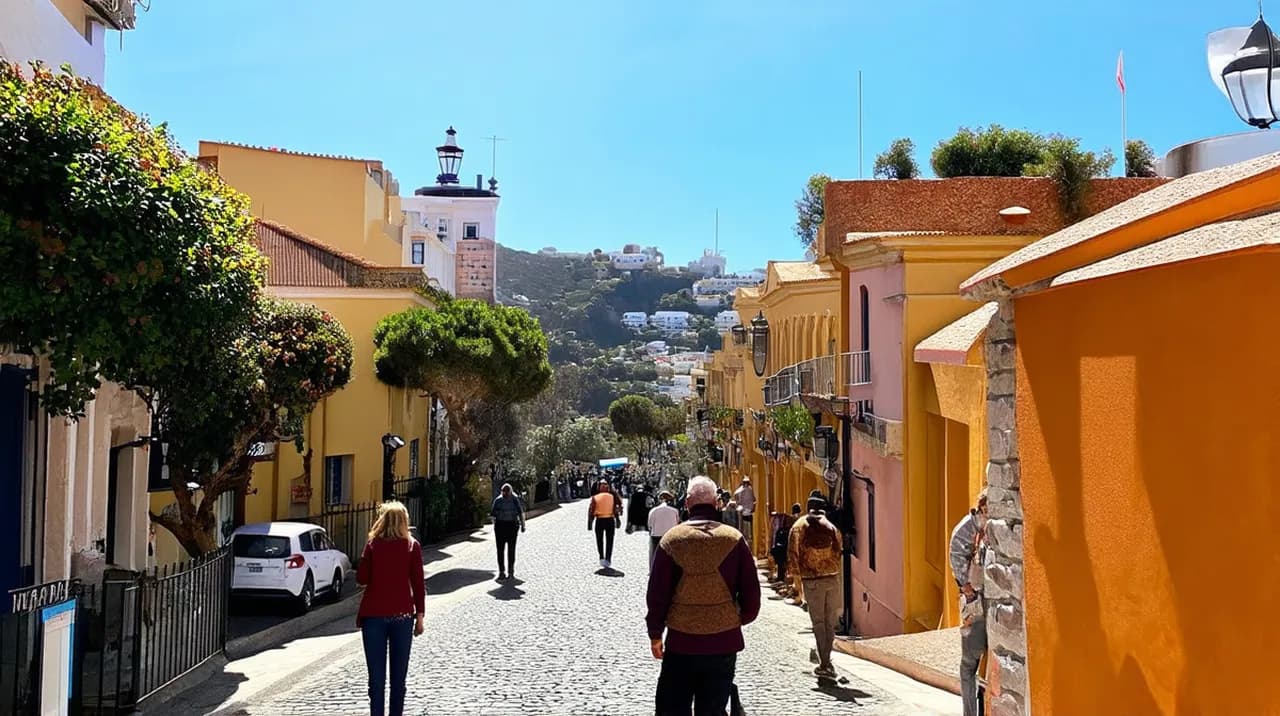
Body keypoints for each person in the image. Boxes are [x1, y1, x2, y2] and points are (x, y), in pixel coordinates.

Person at [646, 476, 760, 715]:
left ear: (687, 503)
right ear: (717, 503)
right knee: (713, 709)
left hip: (681, 642)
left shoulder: (672, 540)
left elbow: (657, 592)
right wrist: (735, 618)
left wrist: (656, 634)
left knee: (672, 708)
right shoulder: (734, 539)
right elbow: (751, 595)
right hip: (723, 642)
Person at [356, 501, 426, 716]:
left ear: (382, 520)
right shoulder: (412, 546)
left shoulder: (372, 545)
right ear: (404, 521)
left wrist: (367, 557)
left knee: (376, 681)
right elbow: (418, 584)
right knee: (398, 681)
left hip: (373, 617)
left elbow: (362, 578)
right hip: (402, 616)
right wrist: (420, 617)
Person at [788, 493, 843, 680]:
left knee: (818, 623)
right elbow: (838, 552)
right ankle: (827, 659)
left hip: (812, 581)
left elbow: (793, 555)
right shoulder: (832, 527)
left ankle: (825, 663)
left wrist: (797, 585)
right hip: (832, 579)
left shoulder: (799, 526)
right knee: (830, 623)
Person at [950, 490, 991, 716]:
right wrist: (967, 589)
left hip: (984, 602)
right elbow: (956, 557)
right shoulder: (970, 529)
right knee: (969, 664)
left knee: (977, 665)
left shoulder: (978, 528)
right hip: (975, 604)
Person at [490, 482, 525, 580]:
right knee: (500, 550)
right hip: (500, 526)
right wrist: (495, 526)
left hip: (512, 526)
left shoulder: (515, 499)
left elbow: (520, 512)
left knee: (511, 549)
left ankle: (511, 570)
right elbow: (492, 515)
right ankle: (501, 571)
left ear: (510, 492)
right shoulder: (498, 500)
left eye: (507, 492)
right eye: (503, 492)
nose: (505, 494)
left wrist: (523, 525)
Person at [588, 478, 622, 568]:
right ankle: (608, 558)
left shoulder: (595, 497)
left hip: (600, 520)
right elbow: (617, 506)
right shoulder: (612, 495)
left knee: (600, 540)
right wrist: (617, 519)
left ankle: (601, 557)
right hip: (610, 520)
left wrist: (590, 523)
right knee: (609, 540)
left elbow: (591, 510)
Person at [647, 490, 681, 566]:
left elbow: (650, 525)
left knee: (654, 554)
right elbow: (677, 522)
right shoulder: (675, 511)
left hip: (656, 536)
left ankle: (653, 569)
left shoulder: (653, 510)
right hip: (670, 536)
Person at [769, 503, 801, 584]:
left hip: (785, 545)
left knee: (782, 560)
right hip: (789, 544)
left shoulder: (788, 519)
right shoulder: (799, 520)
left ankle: (782, 577)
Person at [733, 477, 756, 547]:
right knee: (748, 531)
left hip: (744, 512)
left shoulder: (742, 490)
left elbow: (735, 494)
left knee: (745, 530)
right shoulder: (750, 490)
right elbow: (754, 499)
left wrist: (738, 503)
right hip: (749, 512)